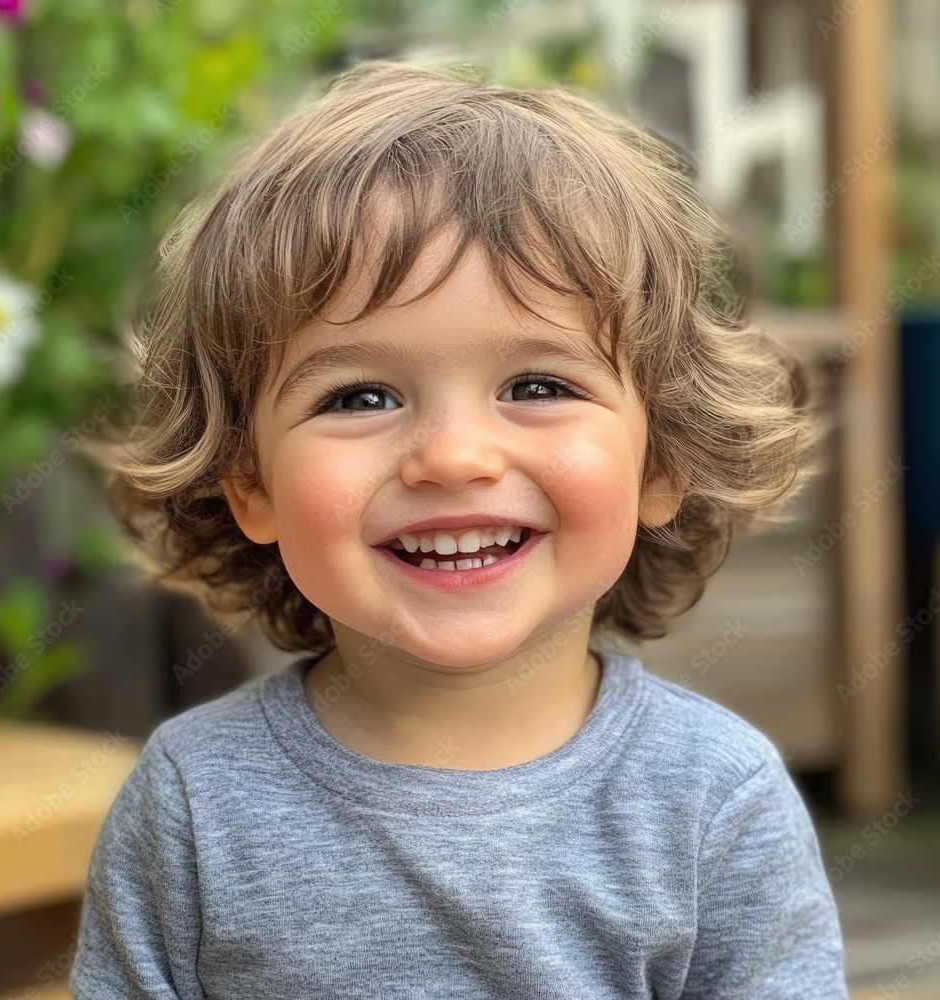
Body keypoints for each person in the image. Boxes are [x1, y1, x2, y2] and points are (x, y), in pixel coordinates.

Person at [70, 58, 848, 998]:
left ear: (663, 459)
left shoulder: (715, 801)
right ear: (248, 482)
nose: (452, 457)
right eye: (360, 395)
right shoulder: (190, 805)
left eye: (537, 386)